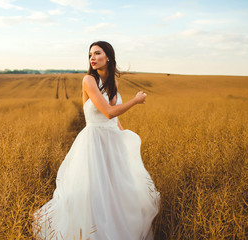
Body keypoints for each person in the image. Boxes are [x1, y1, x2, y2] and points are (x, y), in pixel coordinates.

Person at [32, 41, 160, 240]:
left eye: (97, 53)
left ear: (108, 57)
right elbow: (108, 113)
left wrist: (124, 137)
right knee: (93, 191)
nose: (92, 57)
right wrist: (135, 101)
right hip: (94, 143)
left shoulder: (113, 82)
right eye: (90, 54)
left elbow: (114, 119)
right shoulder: (88, 81)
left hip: (112, 143)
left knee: (117, 190)